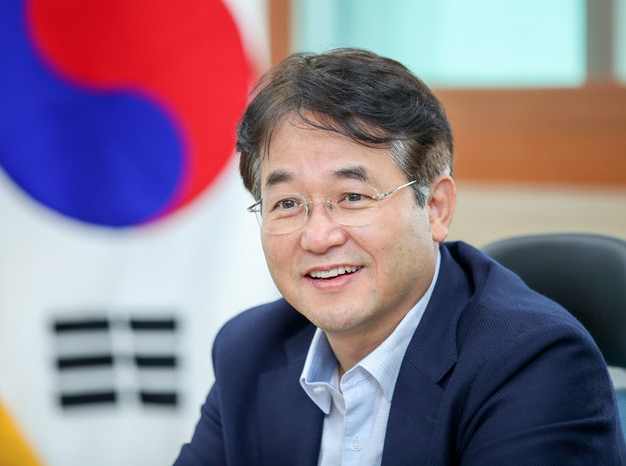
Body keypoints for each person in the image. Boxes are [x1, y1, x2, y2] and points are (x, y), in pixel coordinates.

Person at [175, 48, 625, 465]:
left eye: (353, 196)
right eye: (287, 203)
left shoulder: (535, 366)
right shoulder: (249, 350)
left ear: (435, 208)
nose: (318, 237)